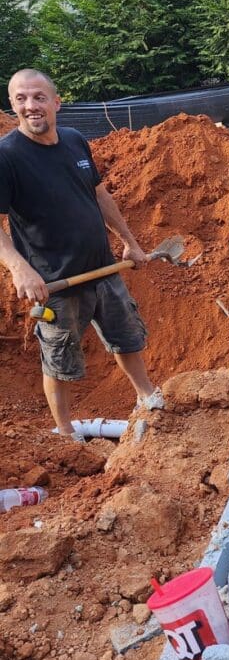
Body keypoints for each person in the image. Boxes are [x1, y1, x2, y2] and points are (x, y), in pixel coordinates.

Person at [0, 68, 163, 438]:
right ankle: (67, 433)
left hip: (103, 269)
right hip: (55, 283)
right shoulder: (6, 157)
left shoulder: (74, 141)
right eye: (21, 99)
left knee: (127, 338)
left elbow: (99, 194)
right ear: (12, 105)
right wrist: (19, 269)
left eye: (39, 97)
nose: (31, 106)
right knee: (58, 361)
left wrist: (130, 242)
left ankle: (147, 397)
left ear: (56, 102)